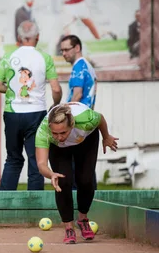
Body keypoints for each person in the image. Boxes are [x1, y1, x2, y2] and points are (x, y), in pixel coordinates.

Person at [0, 21, 62, 191]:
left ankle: (4, 206)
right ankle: (35, 206)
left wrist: (11, 91)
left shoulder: (8, 57)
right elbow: (56, 88)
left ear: (19, 37)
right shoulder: (45, 57)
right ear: (38, 36)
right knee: (36, 159)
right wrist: (56, 104)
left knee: (13, 158)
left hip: (12, 113)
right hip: (36, 113)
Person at [35, 103, 119, 244]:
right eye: (55, 133)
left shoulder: (85, 119)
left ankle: (83, 219)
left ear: (72, 125)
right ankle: (69, 227)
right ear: (49, 127)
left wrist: (106, 136)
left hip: (85, 141)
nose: (59, 137)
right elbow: (41, 164)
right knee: (63, 181)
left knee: (85, 179)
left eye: (63, 132)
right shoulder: (43, 131)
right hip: (59, 150)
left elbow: (100, 118)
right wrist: (51, 174)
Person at [60, 34, 98, 190]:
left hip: (77, 120)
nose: (63, 54)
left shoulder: (79, 66)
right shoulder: (88, 66)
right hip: (87, 118)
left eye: (66, 49)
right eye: (61, 50)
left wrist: (62, 113)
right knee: (87, 165)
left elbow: (77, 94)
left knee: (76, 166)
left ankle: (77, 204)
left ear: (77, 48)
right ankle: (91, 202)